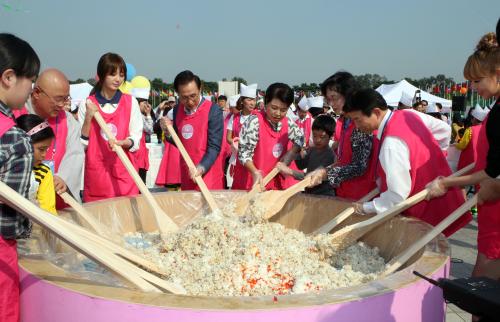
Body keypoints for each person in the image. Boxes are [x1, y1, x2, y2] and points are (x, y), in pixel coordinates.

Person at [326, 88, 471, 236]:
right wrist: (430, 159)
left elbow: (396, 196)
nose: (356, 126)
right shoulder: (408, 115)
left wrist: (366, 208)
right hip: (441, 204)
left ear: (376, 112)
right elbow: (444, 130)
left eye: (357, 119)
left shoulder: (391, 144)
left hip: (426, 214)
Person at [427, 32, 500, 282]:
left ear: (498, 73)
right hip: (490, 210)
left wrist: (445, 183)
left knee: (482, 290)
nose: (474, 87)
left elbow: (492, 172)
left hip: (497, 212)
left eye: (477, 80)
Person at [0, 33, 40, 322]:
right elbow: (9, 223)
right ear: (9, 77)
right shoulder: (15, 139)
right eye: (31, 79)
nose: (32, 89)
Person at [79, 52, 143, 202]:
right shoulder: (87, 103)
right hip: (97, 178)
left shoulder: (130, 102)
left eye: (121, 75)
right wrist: (88, 117)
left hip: (124, 175)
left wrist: (123, 143)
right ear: (101, 75)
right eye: (112, 74)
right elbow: (80, 145)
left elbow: (136, 138)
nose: (118, 79)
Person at [309, 72, 376, 200]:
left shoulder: (360, 124)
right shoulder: (344, 120)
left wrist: (326, 173)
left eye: (334, 98)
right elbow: (343, 159)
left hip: (361, 196)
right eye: (328, 100)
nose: (331, 104)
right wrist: (323, 170)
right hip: (345, 192)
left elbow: (359, 166)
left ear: (349, 95)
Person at [27, 68, 84, 206]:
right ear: (37, 93)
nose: (62, 105)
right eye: (58, 99)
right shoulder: (18, 112)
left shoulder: (68, 120)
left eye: (66, 98)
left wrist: (63, 177)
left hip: (56, 197)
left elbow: (75, 154)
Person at [160, 70, 224, 190]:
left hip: (208, 175)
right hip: (187, 173)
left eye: (193, 96)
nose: (189, 101)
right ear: (178, 94)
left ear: (200, 89)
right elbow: (179, 142)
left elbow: (214, 146)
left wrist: (201, 167)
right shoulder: (177, 110)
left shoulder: (213, 110)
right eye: (184, 98)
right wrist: (168, 132)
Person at [235, 82, 304, 190]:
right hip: (253, 180)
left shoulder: (287, 123)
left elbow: (300, 138)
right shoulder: (254, 122)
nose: (278, 113)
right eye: (274, 108)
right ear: (266, 103)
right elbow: (244, 154)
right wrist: (255, 172)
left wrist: (291, 153)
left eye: (283, 110)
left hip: (275, 182)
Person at [277, 114, 336, 196]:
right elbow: (300, 165)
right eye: (314, 135)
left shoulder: (330, 156)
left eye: (322, 137)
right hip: (310, 193)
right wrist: (298, 152)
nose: (317, 140)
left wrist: (289, 171)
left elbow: (310, 177)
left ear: (331, 136)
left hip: (323, 195)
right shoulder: (312, 150)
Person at [16, 115, 57, 215]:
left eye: (46, 150)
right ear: (23, 143)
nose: (44, 155)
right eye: (41, 149)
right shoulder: (5, 168)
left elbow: (48, 210)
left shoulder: (44, 172)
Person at [130, 76, 155, 183]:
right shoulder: (135, 115)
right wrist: (148, 114)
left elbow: (150, 130)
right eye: (143, 102)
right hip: (136, 152)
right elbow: (149, 128)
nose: (146, 105)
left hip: (141, 153)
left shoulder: (141, 115)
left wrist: (148, 114)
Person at [455, 105, 490, 171]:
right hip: (482, 158)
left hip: (469, 158)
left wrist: (456, 143)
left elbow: (461, 145)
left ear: (474, 119)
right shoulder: (486, 129)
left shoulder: (470, 129)